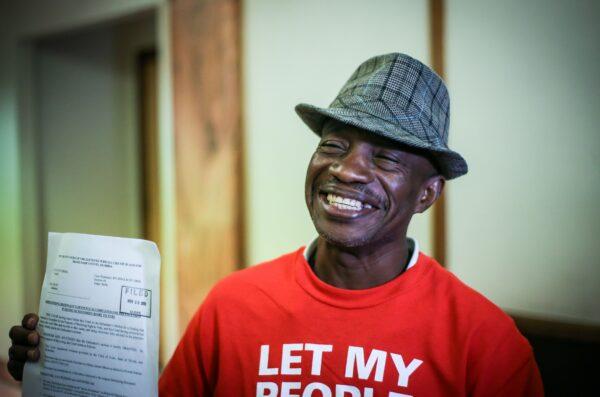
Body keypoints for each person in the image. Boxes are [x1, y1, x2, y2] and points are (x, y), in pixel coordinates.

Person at [8, 53, 544, 396]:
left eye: (386, 158)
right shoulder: (232, 305)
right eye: (333, 144)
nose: (347, 169)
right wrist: (60, 377)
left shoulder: (487, 346)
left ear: (427, 193)